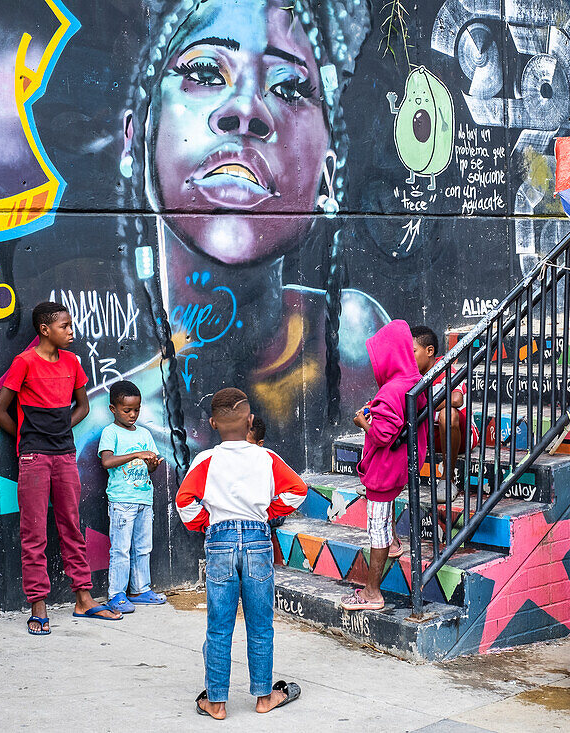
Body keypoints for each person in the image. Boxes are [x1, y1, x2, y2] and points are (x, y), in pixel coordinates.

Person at [110, 0, 386, 481]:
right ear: (137, 140)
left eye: (288, 87)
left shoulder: (354, 347)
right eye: (205, 72)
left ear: (328, 175)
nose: (246, 110)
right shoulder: (104, 438)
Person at [0, 302, 121, 635]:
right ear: (45, 330)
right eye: (65, 326)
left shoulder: (73, 362)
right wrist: (26, 436)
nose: (71, 331)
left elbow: (84, 406)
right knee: (33, 533)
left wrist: (62, 428)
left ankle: (84, 599)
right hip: (33, 457)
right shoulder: (24, 363)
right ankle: (38, 604)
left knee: (71, 527)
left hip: (64, 455)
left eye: (71, 325)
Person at [175, 388, 307, 719]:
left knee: (219, 625)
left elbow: (184, 502)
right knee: (260, 624)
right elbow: (298, 490)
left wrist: (207, 525)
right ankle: (264, 698)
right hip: (257, 541)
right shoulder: (266, 458)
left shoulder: (205, 460)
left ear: (213, 423)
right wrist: (267, 512)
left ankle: (216, 703)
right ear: (250, 421)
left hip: (219, 540)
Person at [340, 320, 427, 611]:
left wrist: (362, 421)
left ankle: (372, 592)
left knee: (375, 526)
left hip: (384, 470)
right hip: (399, 467)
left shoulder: (392, 390)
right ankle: (390, 543)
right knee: (383, 521)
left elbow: (383, 434)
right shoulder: (413, 383)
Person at [98, 380, 166, 613]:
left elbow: (150, 469)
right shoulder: (110, 432)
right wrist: (136, 454)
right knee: (121, 548)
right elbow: (106, 461)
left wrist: (152, 464)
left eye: (136, 409)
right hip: (121, 501)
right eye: (127, 410)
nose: (133, 414)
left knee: (143, 547)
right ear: (113, 409)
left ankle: (139, 589)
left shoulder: (145, 433)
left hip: (143, 500)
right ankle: (116, 594)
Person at [411, 325, 480, 504]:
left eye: (413, 352)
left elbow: (456, 400)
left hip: (461, 435)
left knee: (448, 414)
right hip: (431, 436)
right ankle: (393, 476)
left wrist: (422, 404)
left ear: (430, 351)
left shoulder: (446, 368)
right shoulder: (411, 375)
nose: (409, 358)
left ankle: (447, 480)